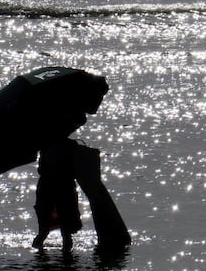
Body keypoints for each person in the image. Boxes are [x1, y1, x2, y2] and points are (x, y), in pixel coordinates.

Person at [28, 72, 131, 252]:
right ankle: (54, 251)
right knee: (51, 226)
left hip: (59, 175)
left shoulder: (70, 111)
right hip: (54, 174)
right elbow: (55, 140)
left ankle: (52, 251)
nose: (99, 102)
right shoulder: (66, 113)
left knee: (60, 227)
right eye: (98, 97)